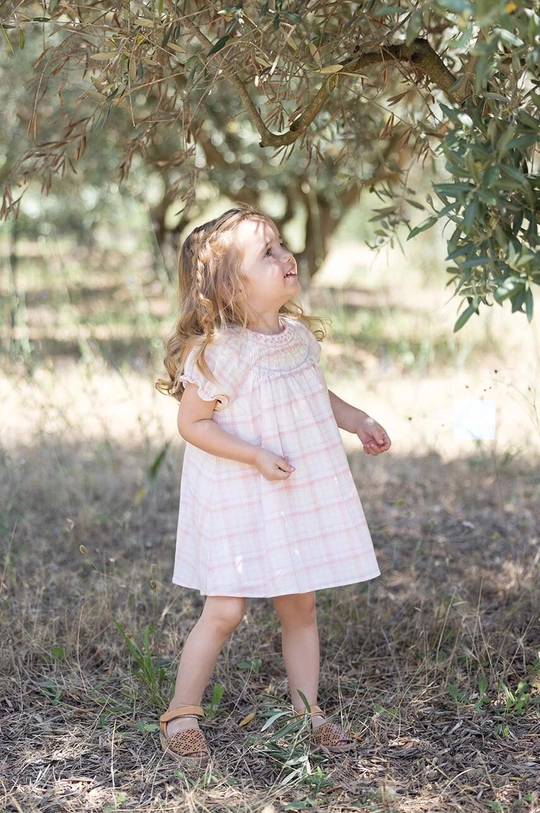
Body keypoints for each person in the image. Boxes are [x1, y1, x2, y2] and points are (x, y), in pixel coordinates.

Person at [156, 206, 391, 765]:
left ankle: (307, 711)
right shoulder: (219, 352)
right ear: (232, 287)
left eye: (282, 245)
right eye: (268, 254)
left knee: (300, 604)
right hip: (239, 493)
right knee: (226, 609)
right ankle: (182, 712)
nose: (287, 257)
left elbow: (315, 394)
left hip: (290, 491)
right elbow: (193, 424)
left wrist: (356, 419)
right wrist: (254, 454)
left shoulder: (295, 338)